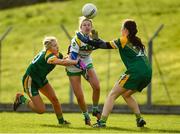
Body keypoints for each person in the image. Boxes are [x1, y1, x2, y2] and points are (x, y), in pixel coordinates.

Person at [76, 19, 152, 127]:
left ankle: (102, 122)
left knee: (112, 94)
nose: (121, 30)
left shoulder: (123, 40)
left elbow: (104, 46)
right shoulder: (137, 41)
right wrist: (97, 39)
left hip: (135, 72)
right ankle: (139, 119)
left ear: (125, 30)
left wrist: (86, 40)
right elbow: (104, 43)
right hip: (148, 73)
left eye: (122, 28)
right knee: (126, 95)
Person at [13, 36, 79, 125]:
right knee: (41, 110)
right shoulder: (48, 56)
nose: (57, 47)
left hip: (41, 78)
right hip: (30, 80)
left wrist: (74, 56)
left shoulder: (57, 54)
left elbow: (64, 60)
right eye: (54, 46)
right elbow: (62, 62)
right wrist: (75, 62)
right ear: (49, 48)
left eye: (57, 45)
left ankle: (61, 122)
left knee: (54, 99)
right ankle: (21, 98)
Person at [66, 17, 101, 125]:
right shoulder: (76, 39)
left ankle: (95, 110)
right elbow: (73, 58)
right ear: (80, 27)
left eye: (89, 25)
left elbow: (99, 44)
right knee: (80, 96)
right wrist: (83, 68)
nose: (87, 27)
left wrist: (95, 36)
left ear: (91, 27)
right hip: (73, 64)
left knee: (97, 86)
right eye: (84, 25)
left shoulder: (93, 36)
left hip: (86, 61)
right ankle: (86, 116)